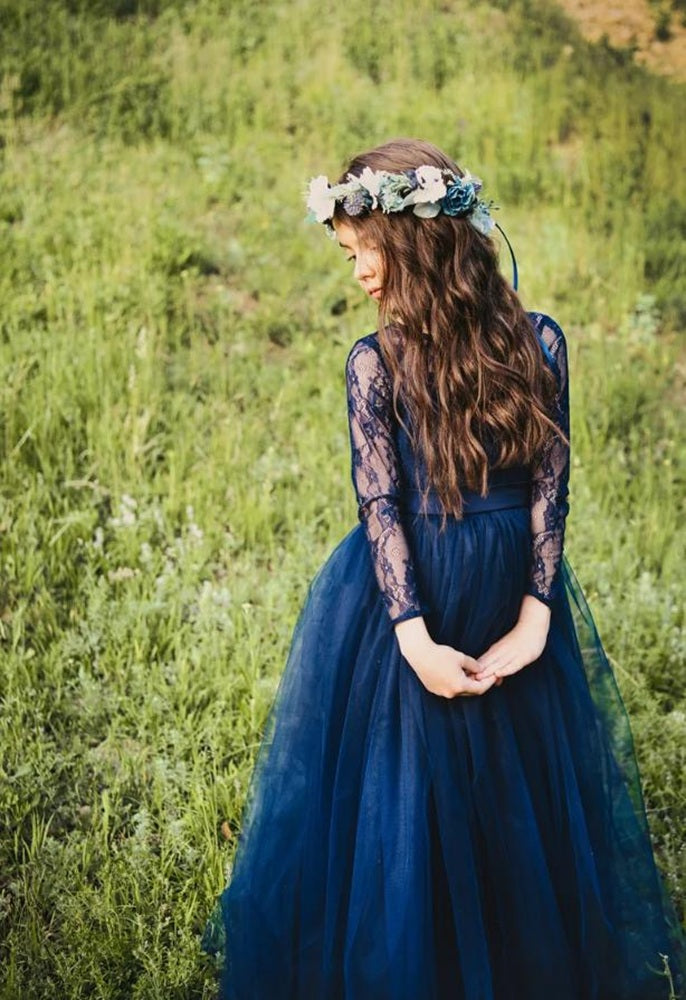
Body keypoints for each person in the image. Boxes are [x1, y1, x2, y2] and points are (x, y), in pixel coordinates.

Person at [202, 138, 685, 999]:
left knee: (518, 789)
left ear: (418, 240)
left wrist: (538, 613)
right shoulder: (373, 364)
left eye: (365, 251)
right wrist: (414, 638)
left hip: (510, 594)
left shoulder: (538, 343)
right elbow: (379, 505)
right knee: (410, 790)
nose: (356, 272)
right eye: (346, 255)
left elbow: (548, 482)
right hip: (406, 603)